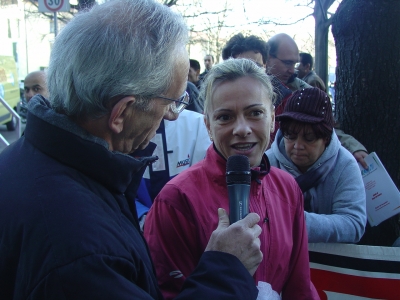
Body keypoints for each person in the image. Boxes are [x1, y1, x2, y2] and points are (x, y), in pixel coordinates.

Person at [0, 1, 263, 299]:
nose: (172, 117)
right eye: (171, 103)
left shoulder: (30, 161)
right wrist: (227, 270)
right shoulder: (82, 252)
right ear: (122, 113)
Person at [144, 58, 319, 300]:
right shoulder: (175, 200)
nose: (242, 129)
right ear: (207, 125)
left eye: (255, 113)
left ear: (272, 119)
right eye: (225, 117)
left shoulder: (287, 188)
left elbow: (299, 286)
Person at [266, 87, 366, 243]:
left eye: (309, 138)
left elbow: (353, 225)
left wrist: (292, 220)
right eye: (290, 136)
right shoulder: (266, 164)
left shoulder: (345, 165)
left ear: (325, 138)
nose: (298, 146)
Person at [266, 33, 369, 168]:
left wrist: (354, 147)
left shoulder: (305, 91)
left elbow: (328, 126)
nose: (292, 70)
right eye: (287, 63)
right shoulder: (247, 89)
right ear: (268, 58)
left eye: (295, 64)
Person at [135, 108, 211, 226]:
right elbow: (115, 188)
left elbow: (207, 186)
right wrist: (142, 217)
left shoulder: (197, 123)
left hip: (188, 225)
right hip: (137, 225)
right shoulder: (125, 123)